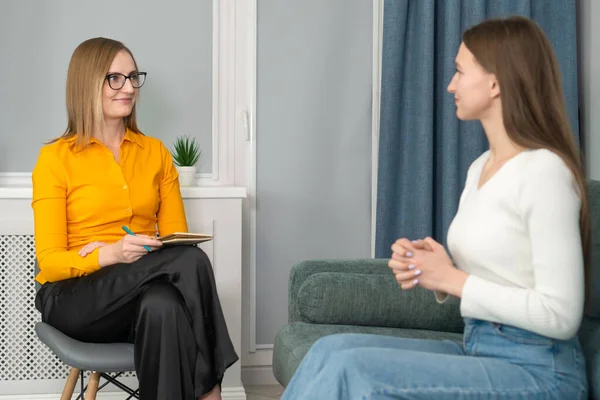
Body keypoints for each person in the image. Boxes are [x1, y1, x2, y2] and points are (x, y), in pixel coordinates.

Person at [281, 16, 588, 399]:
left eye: (460, 71)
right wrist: (433, 266)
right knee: (330, 350)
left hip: (540, 370)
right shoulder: (481, 168)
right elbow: (503, 272)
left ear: (495, 83)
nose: (450, 85)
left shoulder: (545, 172)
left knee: (351, 369)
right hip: (480, 347)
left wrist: (450, 279)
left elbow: (560, 314)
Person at [32, 37, 238, 400]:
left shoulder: (155, 153)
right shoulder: (55, 159)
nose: (128, 88)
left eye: (132, 77)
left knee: (163, 304)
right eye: (115, 78)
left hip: (139, 290)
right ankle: (211, 391)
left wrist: (148, 250)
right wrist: (109, 254)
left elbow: (174, 241)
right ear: (87, 83)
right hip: (73, 299)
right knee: (190, 260)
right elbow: (50, 264)